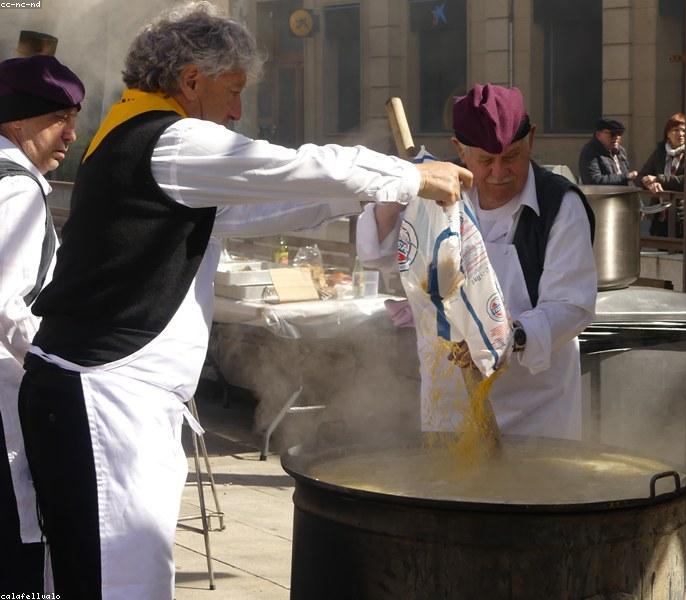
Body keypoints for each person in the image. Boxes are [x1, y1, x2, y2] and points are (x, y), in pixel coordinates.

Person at [16, 3, 471, 599]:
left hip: (107, 395)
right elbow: (292, 167)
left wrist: (369, 197)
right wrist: (408, 177)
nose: (237, 111)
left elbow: (258, 205)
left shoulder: (139, 134)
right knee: (120, 586)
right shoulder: (173, 140)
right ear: (191, 81)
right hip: (106, 396)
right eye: (232, 91)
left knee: (109, 579)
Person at [357, 84, 596, 439]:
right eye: (486, 161)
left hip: (537, 412)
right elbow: (375, 253)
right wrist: (403, 188)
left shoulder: (560, 205)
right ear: (460, 150)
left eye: (511, 157)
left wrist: (507, 336)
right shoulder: (436, 188)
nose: (499, 172)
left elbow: (571, 306)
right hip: (449, 406)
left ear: (531, 139)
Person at [0, 54, 84, 594]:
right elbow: (6, 305)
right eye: (59, 119)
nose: (71, 134)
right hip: (4, 405)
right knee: (17, 561)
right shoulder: (15, 188)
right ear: (17, 121)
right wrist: (64, 371)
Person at [636, 112, 686, 237]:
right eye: (676, 130)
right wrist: (649, 183)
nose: (680, 134)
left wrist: (659, 179)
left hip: (682, 217)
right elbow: (640, 177)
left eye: (684, 131)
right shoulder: (660, 153)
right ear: (667, 133)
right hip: (659, 216)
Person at [579, 118, 637, 185]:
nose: (617, 137)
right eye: (613, 134)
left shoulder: (621, 151)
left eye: (619, 133)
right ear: (598, 135)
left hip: (623, 191)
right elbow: (594, 180)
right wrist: (626, 177)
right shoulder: (590, 152)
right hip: (603, 192)